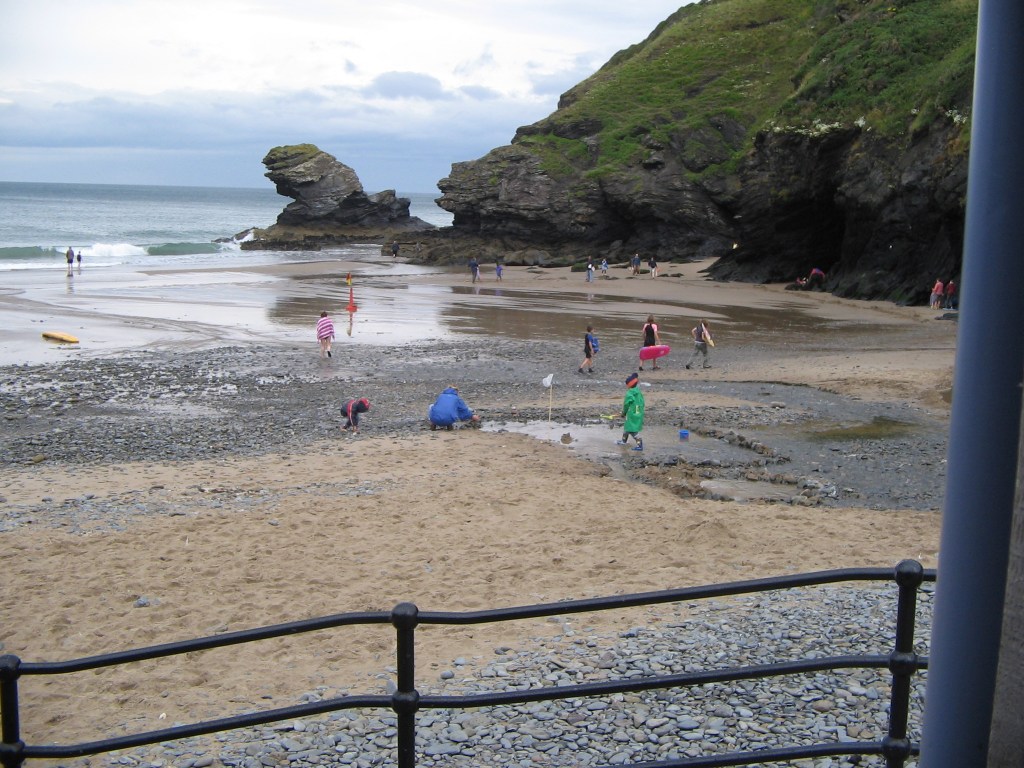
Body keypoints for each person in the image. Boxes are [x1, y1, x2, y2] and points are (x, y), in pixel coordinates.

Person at [615, 372, 645, 451]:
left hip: (632, 413)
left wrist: (623, 413)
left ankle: (640, 445)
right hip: (638, 410)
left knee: (633, 430)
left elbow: (626, 405)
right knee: (627, 427)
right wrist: (639, 411)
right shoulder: (638, 391)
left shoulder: (629, 393)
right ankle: (623, 441)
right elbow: (642, 402)